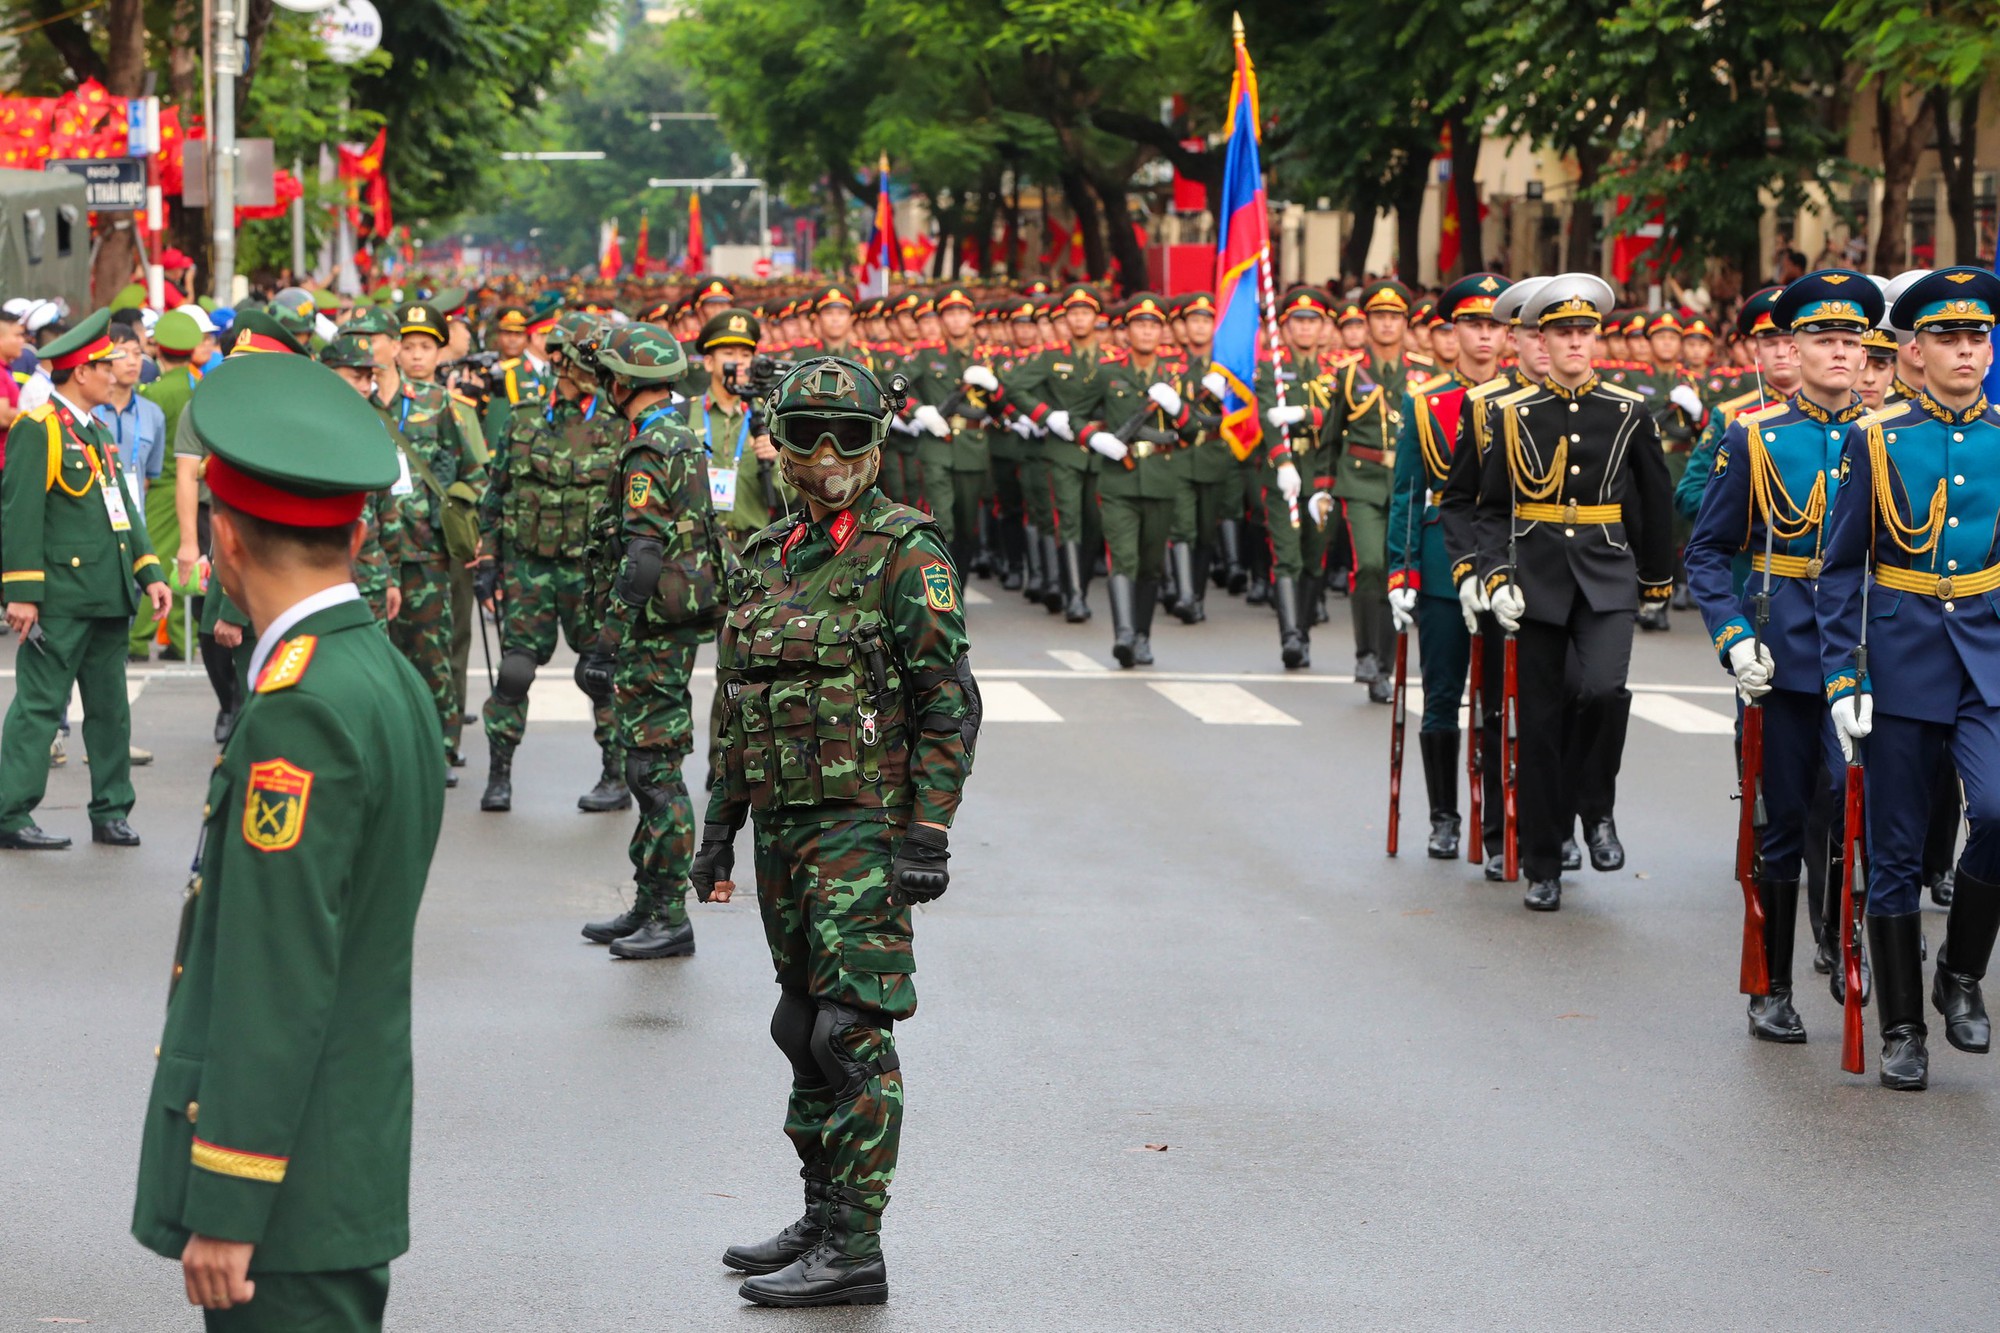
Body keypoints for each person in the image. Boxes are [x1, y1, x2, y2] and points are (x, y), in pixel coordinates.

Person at [130, 350, 443, 1330]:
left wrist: (228, 1199)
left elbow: (277, 970)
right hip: (337, 1155)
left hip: (287, 1191)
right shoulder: (379, 672)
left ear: (224, 539)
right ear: (358, 531)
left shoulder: (299, 706)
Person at [698, 355, 978, 1307]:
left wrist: (927, 832)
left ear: (876, 442)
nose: (827, 454)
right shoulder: (766, 553)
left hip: (863, 826)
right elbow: (735, 706)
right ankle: (821, 1215)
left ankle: (857, 1245)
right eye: (807, 433)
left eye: (848, 433)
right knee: (797, 1023)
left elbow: (948, 703)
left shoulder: (906, 553)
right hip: (784, 827)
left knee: (849, 1031)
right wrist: (717, 828)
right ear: (777, 443)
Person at [1816, 265, 2000, 1091]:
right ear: (1917, 349)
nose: (1966, 351)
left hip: (1986, 656)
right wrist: (1842, 675)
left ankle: (1959, 971)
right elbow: (1839, 570)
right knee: (1893, 849)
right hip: (1898, 659)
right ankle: (1901, 1028)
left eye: (1977, 338)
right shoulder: (1877, 437)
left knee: (1997, 809)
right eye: (1949, 338)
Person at [1686, 269, 1880, 1043]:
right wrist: (1734, 637)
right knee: (1782, 821)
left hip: (1867, 652)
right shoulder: (1755, 436)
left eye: (1851, 341)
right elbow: (1707, 552)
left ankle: (1843, 936)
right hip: (1785, 655)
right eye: (1823, 339)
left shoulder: (1889, 435)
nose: (1839, 353)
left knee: (1858, 811)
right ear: (1793, 349)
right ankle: (1771, 985)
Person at [1473, 274, 1674, 910]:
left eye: (1585, 331)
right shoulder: (1512, 415)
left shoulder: (1628, 410)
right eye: (1563, 333)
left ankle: (1597, 809)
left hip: (1607, 570)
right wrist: (1495, 576)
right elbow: (1489, 508)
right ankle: (1543, 864)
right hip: (1536, 576)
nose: (1575, 342)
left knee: (1603, 691)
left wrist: (1656, 577)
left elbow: (1654, 498)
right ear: (1543, 341)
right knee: (1540, 723)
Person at [575, 323, 727, 960]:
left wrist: (605, 642)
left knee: (654, 771)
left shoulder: (648, 447)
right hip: (672, 619)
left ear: (622, 382)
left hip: (653, 628)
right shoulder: (680, 435)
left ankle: (669, 915)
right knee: (648, 764)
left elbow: (642, 558)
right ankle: (649, 902)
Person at [0, 309, 170, 850]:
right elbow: (20, 515)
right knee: (39, 708)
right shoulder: (39, 429)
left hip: (106, 594)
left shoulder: (96, 432)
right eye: (106, 365)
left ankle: (111, 810)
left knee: (110, 712)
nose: (116, 373)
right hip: (60, 599)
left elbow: (124, 511)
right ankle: (9, 813)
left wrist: (149, 572)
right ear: (80, 372)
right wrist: (21, 594)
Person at [474, 312, 627, 814]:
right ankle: (499, 774)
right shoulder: (524, 421)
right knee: (515, 672)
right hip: (529, 569)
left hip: (590, 574)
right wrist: (488, 558)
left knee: (598, 673)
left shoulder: (617, 425)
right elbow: (497, 493)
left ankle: (615, 775)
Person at [1388, 272, 1513, 858]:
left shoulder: (1524, 398)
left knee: (1501, 702)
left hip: (1506, 562)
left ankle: (1497, 824)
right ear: (1453, 331)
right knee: (1441, 695)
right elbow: (1408, 494)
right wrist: (1402, 573)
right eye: (1473, 324)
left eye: (1494, 325)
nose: (1484, 336)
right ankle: (1444, 817)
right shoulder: (1426, 402)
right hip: (1443, 566)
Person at [386, 302, 485, 780]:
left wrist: (459, 512)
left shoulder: (444, 405)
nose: (416, 355)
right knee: (386, 654)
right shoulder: (373, 404)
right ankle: (393, 745)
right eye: (408, 346)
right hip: (380, 551)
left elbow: (474, 473)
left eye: (425, 347)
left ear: (439, 352)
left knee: (434, 650)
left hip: (429, 548)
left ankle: (444, 746)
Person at [96, 323, 172, 661]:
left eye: (138, 353)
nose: (132, 361)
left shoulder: (153, 414)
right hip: (93, 527)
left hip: (131, 525)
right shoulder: (89, 412)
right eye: (122, 353)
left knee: (130, 602)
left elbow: (148, 477)